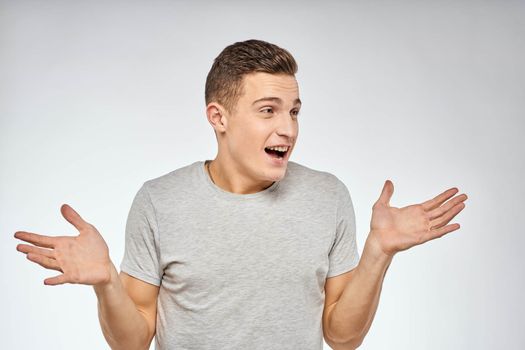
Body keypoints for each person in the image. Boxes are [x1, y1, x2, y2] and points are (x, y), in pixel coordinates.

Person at [14, 39, 468, 350]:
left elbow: (342, 337)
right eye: (267, 110)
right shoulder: (159, 201)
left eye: (294, 111)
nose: (287, 128)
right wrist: (107, 282)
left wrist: (378, 251)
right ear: (219, 116)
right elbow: (132, 341)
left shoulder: (327, 196)